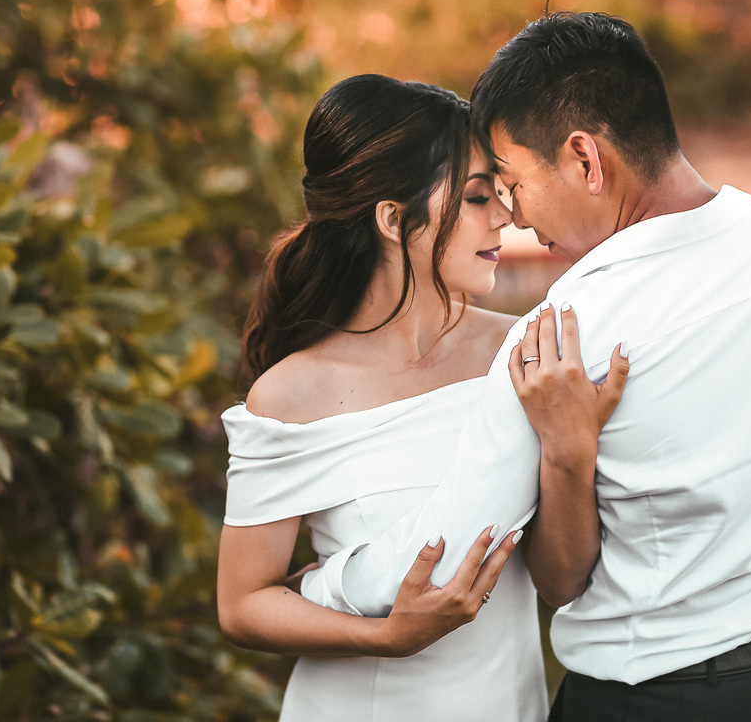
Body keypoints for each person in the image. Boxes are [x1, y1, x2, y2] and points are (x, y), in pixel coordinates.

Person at [300, 13, 751, 721]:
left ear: (585, 160)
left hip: (646, 705)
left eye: (513, 183)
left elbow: (450, 553)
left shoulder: (564, 337)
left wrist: (323, 587)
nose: (517, 217)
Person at [216, 74, 626, 721]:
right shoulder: (291, 393)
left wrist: (572, 450)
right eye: (475, 197)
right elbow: (242, 604)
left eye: (499, 193)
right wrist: (386, 637)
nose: (507, 216)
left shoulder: (522, 353)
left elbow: (561, 579)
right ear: (392, 217)